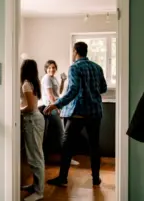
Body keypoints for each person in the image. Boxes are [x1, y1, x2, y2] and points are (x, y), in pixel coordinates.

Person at [44, 42, 107, 187]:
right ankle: (96, 178)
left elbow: (72, 91)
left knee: (67, 146)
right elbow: (103, 88)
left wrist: (56, 104)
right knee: (94, 146)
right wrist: (91, 90)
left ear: (75, 51)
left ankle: (62, 178)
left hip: (77, 113)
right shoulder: (97, 67)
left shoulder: (74, 67)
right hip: (95, 113)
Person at [41, 60, 79, 166]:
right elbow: (50, 95)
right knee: (63, 134)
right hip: (51, 107)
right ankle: (66, 160)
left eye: (53, 67)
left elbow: (59, 92)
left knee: (58, 134)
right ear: (46, 69)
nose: (51, 69)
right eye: (49, 68)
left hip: (55, 106)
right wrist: (56, 108)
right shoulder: (47, 78)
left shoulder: (53, 78)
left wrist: (62, 81)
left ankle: (61, 159)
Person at [20, 59, 45, 201]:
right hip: (36, 119)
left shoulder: (26, 84)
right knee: (36, 155)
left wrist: (18, 109)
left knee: (36, 157)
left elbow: (29, 107)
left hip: (32, 120)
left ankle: (39, 192)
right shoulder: (34, 82)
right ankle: (35, 186)